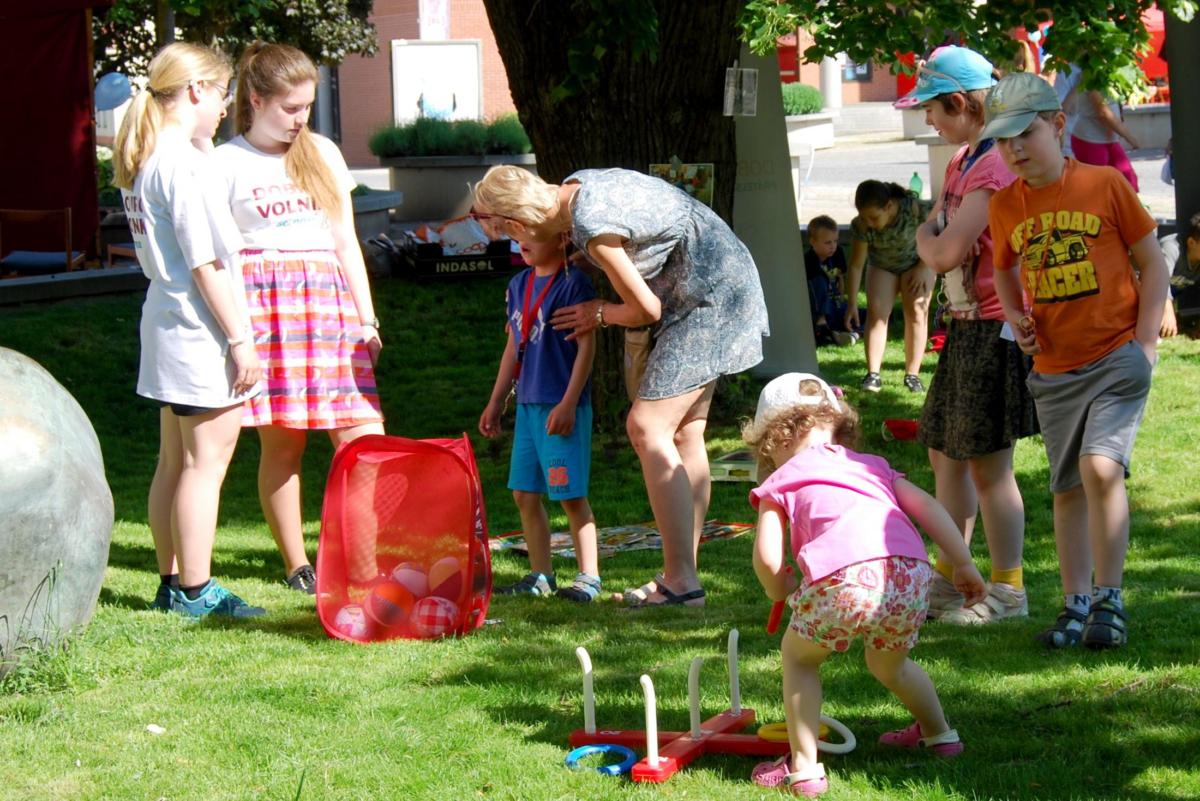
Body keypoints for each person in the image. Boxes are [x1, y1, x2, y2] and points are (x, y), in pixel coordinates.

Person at [473, 166, 769, 607]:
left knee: (646, 427)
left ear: (517, 224)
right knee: (685, 433)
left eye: (505, 232)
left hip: (710, 298)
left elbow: (644, 309)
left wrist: (599, 312)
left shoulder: (592, 225)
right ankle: (680, 575)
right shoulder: (576, 186)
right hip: (721, 281)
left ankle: (681, 581)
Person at [985, 72, 1168, 649]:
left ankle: (1110, 599)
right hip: (1055, 371)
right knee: (1066, 487)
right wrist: (1015, 318)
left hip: (1117, 356)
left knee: (1101, 468)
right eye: (1002, 139)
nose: (1014, 149)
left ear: (1058, 126)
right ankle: (1075, 604)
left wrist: (1146, 343)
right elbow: (1004, 270)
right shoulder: (1005, 204)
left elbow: (1153, 263)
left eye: (1026, 133)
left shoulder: (1105, 183)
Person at [744, 373, 986, 796]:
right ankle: (940, 734)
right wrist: (962, 563)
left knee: (799, 658)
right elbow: (927, 507)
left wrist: (775, 587)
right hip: (909, 575)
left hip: (843, 578)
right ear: (838, 426)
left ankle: (804, 768)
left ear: (776, 438)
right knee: (890, 664)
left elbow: (767, 556)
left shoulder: (780, 481)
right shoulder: (872, 466)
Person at [212, 43, 385, 593]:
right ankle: (297, 564)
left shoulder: (325, 154)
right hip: (268, 312)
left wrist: (368, 319)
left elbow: (344, 241)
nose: (300, 119)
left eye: (307, 106)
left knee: (366, 443)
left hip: (330, 308)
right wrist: (239, 335)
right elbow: (221, 256)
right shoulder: (225, 163)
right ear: (255, 100)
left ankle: (362, 561)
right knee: (283, 445)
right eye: (289, 108)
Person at [113, 42, 265, 618]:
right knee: (206, 465)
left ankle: (171, 580)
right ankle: (197, 592)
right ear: (197, 90)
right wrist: (240, 340)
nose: (226, 108)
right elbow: (208, 264)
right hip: (200, 332)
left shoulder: (152, 156)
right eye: (223, 94)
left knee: (173, 462)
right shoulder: (184, 165)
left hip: (167, 323)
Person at [905, 46, 1039, 624]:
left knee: (988, 464)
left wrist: (926, 240)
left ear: (960, 103)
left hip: (995, 327)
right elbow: (936, 227)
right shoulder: (964, 158)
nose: (928, 120)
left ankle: (1008, 588)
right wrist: (930, 236)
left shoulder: (994, 166)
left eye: (932, 109)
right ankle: (952, 573)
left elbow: (944, 248)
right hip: (965, 327)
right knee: (945, 453)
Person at [478, 232, 602, 601]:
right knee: (524, 493)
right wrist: (496, 400)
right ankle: (541, 574)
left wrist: (568, 402)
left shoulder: (574, 285)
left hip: (560, 405)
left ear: (562, 239)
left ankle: (588, 577)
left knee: (570, 494)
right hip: (529, 405)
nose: (522, 242)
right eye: (518, 235)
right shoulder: (518, 284)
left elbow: (586, 348)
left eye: (533, 235)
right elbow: (512, 345)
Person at [844, 180, 934, 393]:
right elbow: (856, 265)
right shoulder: (862, 225)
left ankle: (912, 375)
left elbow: (939, 231)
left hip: (917, 263)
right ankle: (873, 374)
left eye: (874, 217)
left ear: (890, 206)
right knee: (877, 315)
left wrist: (924, 266)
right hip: (883, 266)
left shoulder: (914, 209)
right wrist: (852, 303)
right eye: (864, 217)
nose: (869, 222)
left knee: (916, 314)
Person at [1069, 75, 1141, 191]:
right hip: (1089, 140)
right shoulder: (1091, 75)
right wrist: (1129, 137)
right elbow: (1103, 111)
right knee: (1097, 187)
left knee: (1128, 181)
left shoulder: (1109, 73)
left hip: (1109, 139)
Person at [804, 215, 857, 347]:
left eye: (835, 241)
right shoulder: (808, 261)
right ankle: (822, 326)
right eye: (828, 242)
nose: (833, 246)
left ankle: (839, 333)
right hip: (819, 310)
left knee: (869, 317)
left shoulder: (837, 253)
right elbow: (815, 291)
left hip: (836, 305)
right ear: (813, 241)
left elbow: (840, 277)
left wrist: (841, 294)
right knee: (820, 280)